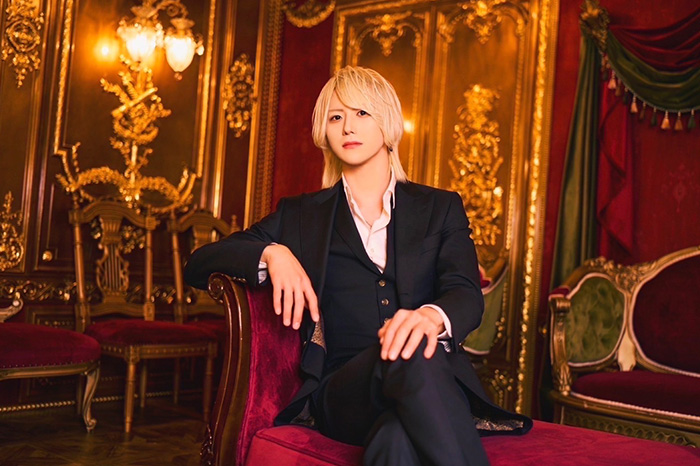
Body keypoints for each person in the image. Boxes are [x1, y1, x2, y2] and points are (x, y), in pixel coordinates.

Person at [185, 66, 531, 466]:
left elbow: (466, 294)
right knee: (408, 352)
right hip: (344, 393)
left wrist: (429, 317)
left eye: (361, 113)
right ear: (324, 132)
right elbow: (200, 263)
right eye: (336, 117)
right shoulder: (301, 215)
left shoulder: (439, 207)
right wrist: (272, 253)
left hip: (430, 382)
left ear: (387, 122)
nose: (348, 126)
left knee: (394, 442)